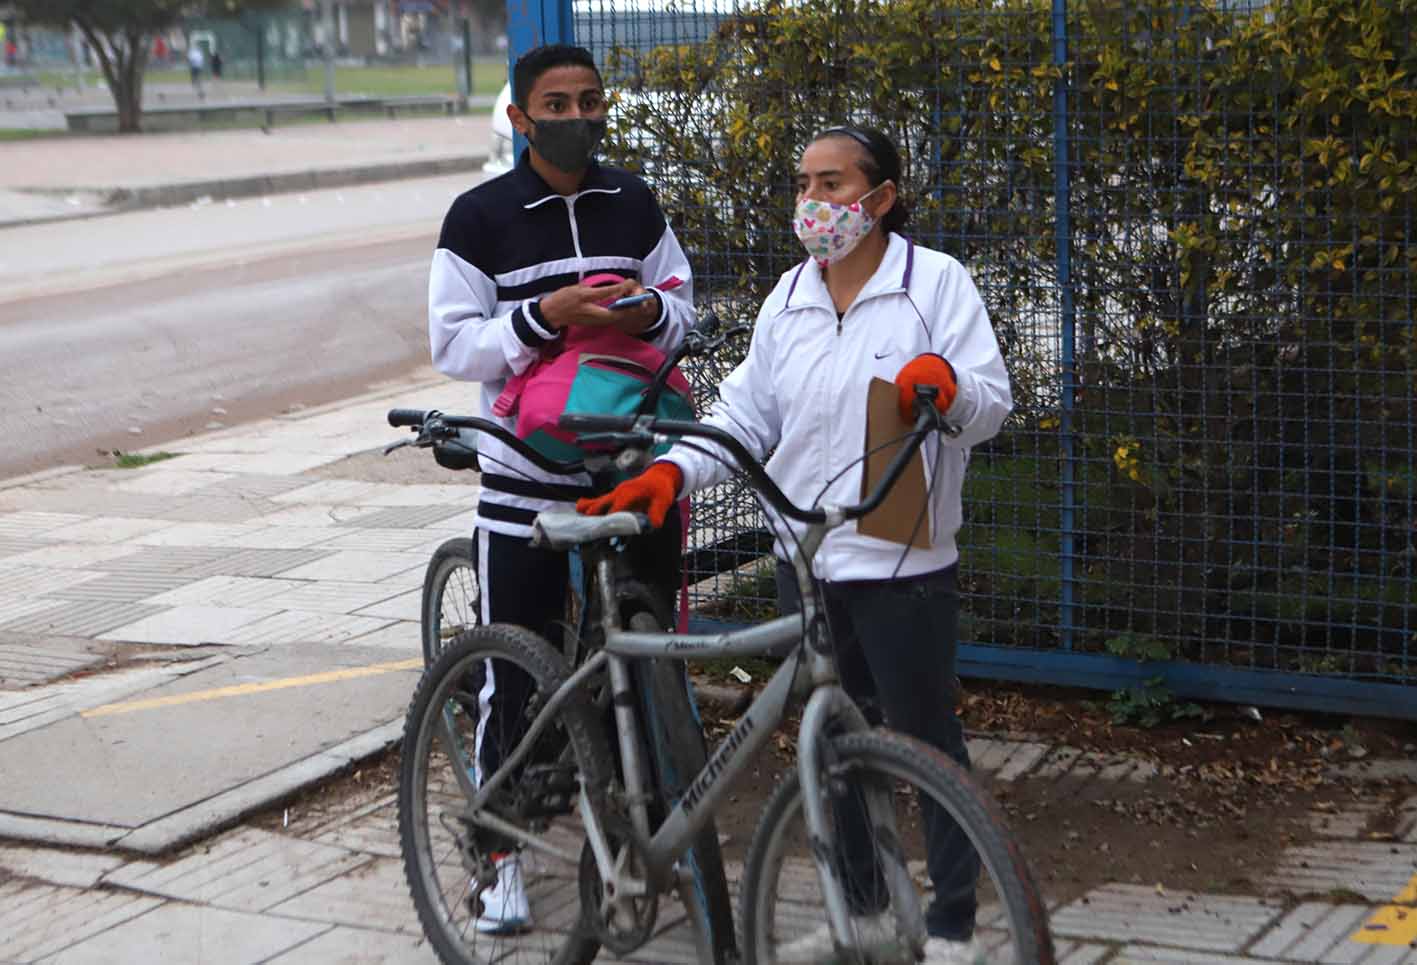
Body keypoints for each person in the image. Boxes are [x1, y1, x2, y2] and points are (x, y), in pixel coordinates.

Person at [578, 125, 1012, 964]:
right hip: (804, 559)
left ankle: (953, 923)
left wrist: (950, 388)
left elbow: (989, 403)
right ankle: (866, 912)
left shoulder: (933, 285)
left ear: (880, 197)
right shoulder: (788, 296)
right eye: (803, 183)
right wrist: (670, 473)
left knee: (925, 741)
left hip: (901, 556)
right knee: (830, 745)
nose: (813, 201)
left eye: (832, 183)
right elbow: (745, 416)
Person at [427, 42, 694, 934]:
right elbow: (453, 344)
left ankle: (638, 826)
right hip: (525, 478)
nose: (577, 118)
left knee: (643, 655)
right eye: (556, 105)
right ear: (520, 118)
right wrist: (546, 316)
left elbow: (683, 302)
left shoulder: (634, 201)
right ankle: (497, 851)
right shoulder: (479, 217)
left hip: (631, 468)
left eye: (589, 102)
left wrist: (647, 309)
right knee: (516, 662)